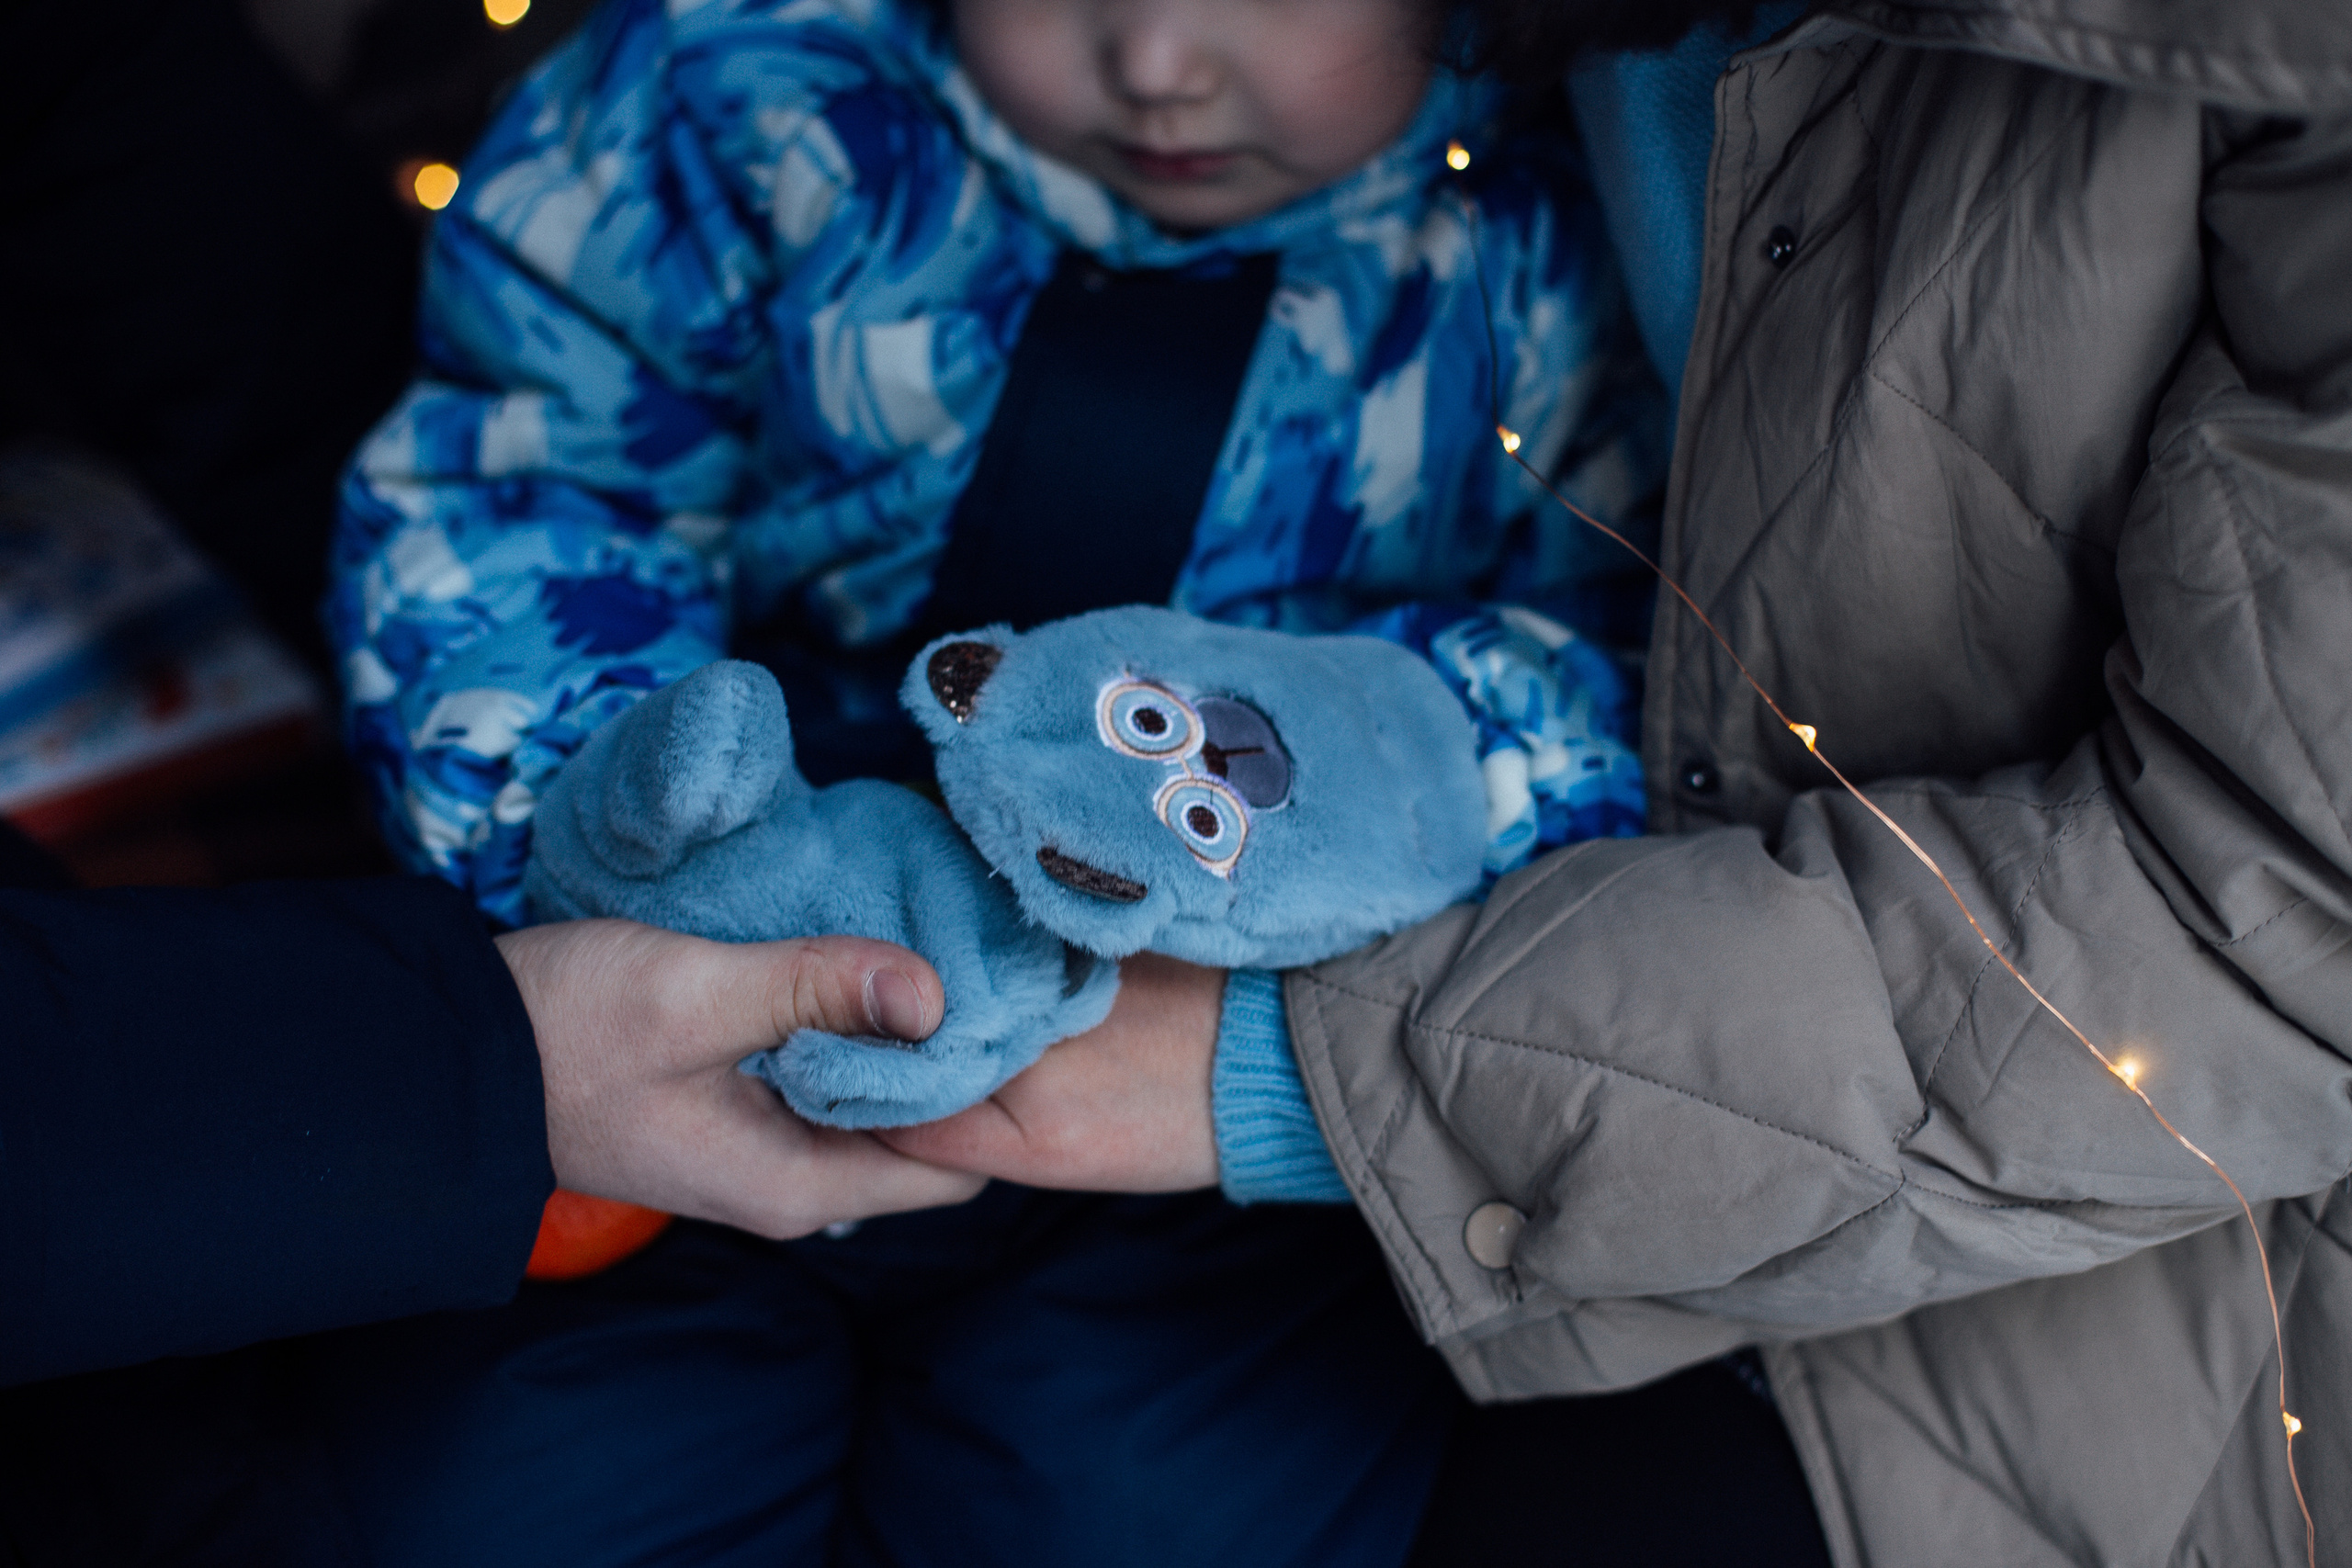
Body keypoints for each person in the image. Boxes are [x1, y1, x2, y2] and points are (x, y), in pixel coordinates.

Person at [884, 0, 2352, 1561]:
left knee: (1104, 1485)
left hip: (2143, 1258)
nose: (1159, 62)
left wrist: (1305, 1074)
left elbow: (2277, 928)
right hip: (1561, 1015)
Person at [310, 0, 1729, 1557]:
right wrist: (603, 828)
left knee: (1143, 1511)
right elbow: (531, 486)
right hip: (714, 982)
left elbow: (1640, 661)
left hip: (1194, 1078)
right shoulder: (746, 93)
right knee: (500, 1486)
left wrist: (1379, 762)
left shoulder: (1561, 239)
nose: (1158, 64)